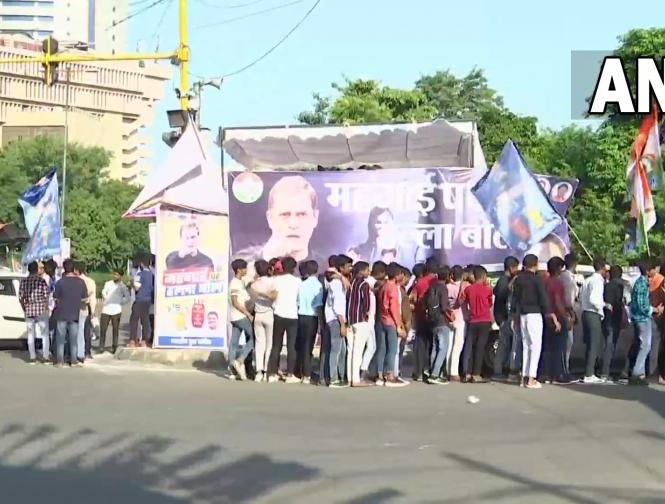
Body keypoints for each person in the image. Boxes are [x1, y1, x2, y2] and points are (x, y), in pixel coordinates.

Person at [236, 176, 325, 265]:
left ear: (315, 218)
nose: (293, 224)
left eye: (302, 214)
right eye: (285, 214)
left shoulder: (326, 266)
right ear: (270, 219)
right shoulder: (242, 262)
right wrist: (266, 259)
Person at [512, 254, 555, 389]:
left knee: (526, 346)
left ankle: (524, 377)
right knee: (535, 346)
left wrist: (515, 316)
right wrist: (550, 314)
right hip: (534, 314)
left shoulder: (518, 280)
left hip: (522, 315)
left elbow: (515, 299)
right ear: (535, 265)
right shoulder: (537, 280)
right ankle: (531, 378)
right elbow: (543, 298)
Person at [268, 256, 301, 383]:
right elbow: (298, 299)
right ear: (293, 268)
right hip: (292, 315)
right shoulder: (297, 281)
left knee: (276, 345)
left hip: (278, 314)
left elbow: (272, 296)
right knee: (291, 346)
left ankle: (272, 374)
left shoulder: (276, 280)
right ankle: (290, 375)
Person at [579, 259, 611, 383]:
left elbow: (581, 296)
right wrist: (604, 305)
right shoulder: (598, 281)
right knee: (594, 343)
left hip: (585, 312)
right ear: (602, 269)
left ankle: (588, 371)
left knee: (589, 344)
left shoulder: (587, 280)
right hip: (593, 313)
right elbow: (594, 299)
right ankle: (589, 374)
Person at [542, 257, 573, 384]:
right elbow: (558, 301)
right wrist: (565, 316)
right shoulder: (557, 283)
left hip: (546, 316)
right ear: (559, 268)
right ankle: (559, 374)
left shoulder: (545, 282)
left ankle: (546, 374)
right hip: (557, 317)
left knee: (547, 348)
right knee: (560, 348)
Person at [630, 260, 661, 385]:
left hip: (639, 318)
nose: (656, 271)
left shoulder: (641, 282)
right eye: (654, 269)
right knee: (646, 346)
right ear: (648, 271)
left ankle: (640, 374)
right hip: (642, 318)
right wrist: (655, 309)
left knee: (644, 345)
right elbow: (642, 305)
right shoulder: (642, 283)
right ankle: (636, 372)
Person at [460, 266, 493, 383]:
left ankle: (467, 373)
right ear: (483, 277)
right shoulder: (488, 290)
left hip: (472, 320)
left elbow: (462, 301)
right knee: (480, 348)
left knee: (470, 347)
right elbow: (490, 303)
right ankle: (476, 374)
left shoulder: (468, 289)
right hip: (484, 320)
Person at [324, 255, 352, 387]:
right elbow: (337, 305)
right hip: (336, 319)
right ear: (341, 267)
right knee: (336, 350)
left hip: (337, 318)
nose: (351, 268)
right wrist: (342, 324)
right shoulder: (336, 283)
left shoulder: (339, 280)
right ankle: (333, 378)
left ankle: (341, 375)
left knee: (342, 350)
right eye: (348, 266)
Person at [53, 259, 88, 368]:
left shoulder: (60, 282)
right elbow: (85, 299)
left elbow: (55, 298)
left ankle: (60, 361)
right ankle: (73, 361)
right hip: (75, 314)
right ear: (74, 268)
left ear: (64, 268)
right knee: (74, 340)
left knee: (60, 340)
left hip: (61, 314)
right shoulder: (80, 282)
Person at [377, 263, 407, 387]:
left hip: (382, 320)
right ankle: (390, 375)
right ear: (396, 275)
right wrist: (399, 325)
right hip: (391, 322)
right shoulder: (393, 288)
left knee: (382, 349)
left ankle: (380, 374)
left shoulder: (383, 286)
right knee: (392, 349)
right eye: (400, 273)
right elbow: (394, 308)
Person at [346, 261, 374, 387]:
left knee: (351, 350)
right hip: (360, 321)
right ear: (362, 271)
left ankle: (349, 377)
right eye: (367, 270)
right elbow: (367, 304)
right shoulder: (364, 285)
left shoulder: (350, 283)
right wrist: (366, 314)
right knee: (358, 351)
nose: (369, 272)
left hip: (350, 320)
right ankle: (356, 380)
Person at [492, 256, 520, 380]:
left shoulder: (504, 280)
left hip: (503, 317)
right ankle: (498, 372)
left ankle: (503, 369)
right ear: (511, 268)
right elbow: (502, 294)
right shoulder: (504, 281)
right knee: (503, 345)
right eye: (516, 267)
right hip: (503, 317)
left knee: (507, 345)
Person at [250, 259, 277, 383]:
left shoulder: (254, 284)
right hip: (269, 314)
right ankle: (267, 372)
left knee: (259, 344)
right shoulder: (272, 282)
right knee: (269, 344)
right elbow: (274, 297)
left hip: (258, 315)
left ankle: (258, 372)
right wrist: (265, 295)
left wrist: (259, 294)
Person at [410, 262, 437, 382]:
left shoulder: (419, 283)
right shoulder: (436, 282)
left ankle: (418, 372)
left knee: (420, 345)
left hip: (421, 316)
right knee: (433, 345)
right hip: (435, 318)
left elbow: (413, 298)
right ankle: (432, 371)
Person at [297, 260, 323, 384]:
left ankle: (300, 371)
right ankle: (307, 374)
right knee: (308, 346)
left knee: (301, 345)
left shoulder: (301, 284)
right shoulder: (318, 285)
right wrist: (321, 321)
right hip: (312, 317)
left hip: (300, 316)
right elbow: (318, 305)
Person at [19, 261, 50, 364]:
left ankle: (32, 357)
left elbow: (21, 297)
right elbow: (46, 296)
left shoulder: (23, 282)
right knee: (45, 334)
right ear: (37, 270)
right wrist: (46, 308)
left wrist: (24, 308)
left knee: (30, 334)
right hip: (41, 310)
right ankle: (45, 357)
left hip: (29, 310)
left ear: (28, 270)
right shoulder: (41, 281)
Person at [229, 259, 255, 381]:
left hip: (236, 317)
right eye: (245, 268)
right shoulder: (235, 283)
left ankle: (233, 370)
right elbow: (235, 302)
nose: (246, 270)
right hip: (240, 316)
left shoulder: (240, 282)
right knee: (254, 338)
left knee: (234, 343)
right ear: (239, 270)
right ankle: (240, 360)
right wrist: (248, 314)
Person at [601, 265, 627, 381]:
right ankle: (605, 372)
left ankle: (604, 370)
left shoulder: (607, 286)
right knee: (611, 345)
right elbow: (618, 302)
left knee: (608, 344)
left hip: (607, 317)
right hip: (614, 318)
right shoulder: (619, 286)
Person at [427, 266, 452, 385]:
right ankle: (435, 374)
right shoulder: (443, 288)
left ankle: (432, 371)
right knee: (443, 348)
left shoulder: (432, 287)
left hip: (433, 320)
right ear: (447, 276)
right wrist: (450, 316)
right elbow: (444, 306)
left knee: (435, 347)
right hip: (442, 321)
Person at [362, 261, 386, 381]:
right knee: (372, 346)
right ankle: (363, 370)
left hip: (368, 317)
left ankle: (364, 369)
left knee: (369, 346)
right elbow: (378, 285)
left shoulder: (366, 281)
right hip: (369, 318)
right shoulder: (371, 281)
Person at [99, 269, 130, 354]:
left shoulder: (123, 286)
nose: (115, 276)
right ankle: (101, 346)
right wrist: (107, 298)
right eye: (114, 274)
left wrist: (120, 302)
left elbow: (127, 298)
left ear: (120, 276)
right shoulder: (108, 283)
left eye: (117, 275)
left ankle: (114, 346)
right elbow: (103, 292)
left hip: (116, 310)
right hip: (106, 309)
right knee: (103, 329)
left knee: (115, 329)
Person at [446, 265, 466, 382]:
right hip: (460, 318)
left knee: (449, 346)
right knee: (457, 346)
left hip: (449, 318)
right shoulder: (463, 288)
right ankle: (454, 372)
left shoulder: (447, 287)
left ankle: (447, 370)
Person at [560, 253, 579, 374]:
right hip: (566, 312)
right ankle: (564, 369)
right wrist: (572, 314)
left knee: (566, 342)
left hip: (564, 310)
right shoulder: (568, 278)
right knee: (567, 342)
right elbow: (569, 299)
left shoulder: (564, 276)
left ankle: (563, 368)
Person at [74, 262, 96, 361]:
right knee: (86, 331)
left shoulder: (80, 281)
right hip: (87, 308)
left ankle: (80, 352)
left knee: (79, 331)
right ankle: (86, 352)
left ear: (76, 270)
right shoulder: (90, 281)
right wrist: (93, 310)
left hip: (80, 308)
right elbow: (93, 297)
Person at [647, 261, 665, 380]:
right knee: (657, 346)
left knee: (654, 345)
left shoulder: (651, 280)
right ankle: (656, 373)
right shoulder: (660, 280)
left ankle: (653, 372)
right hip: (659, 314)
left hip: (654, 314)